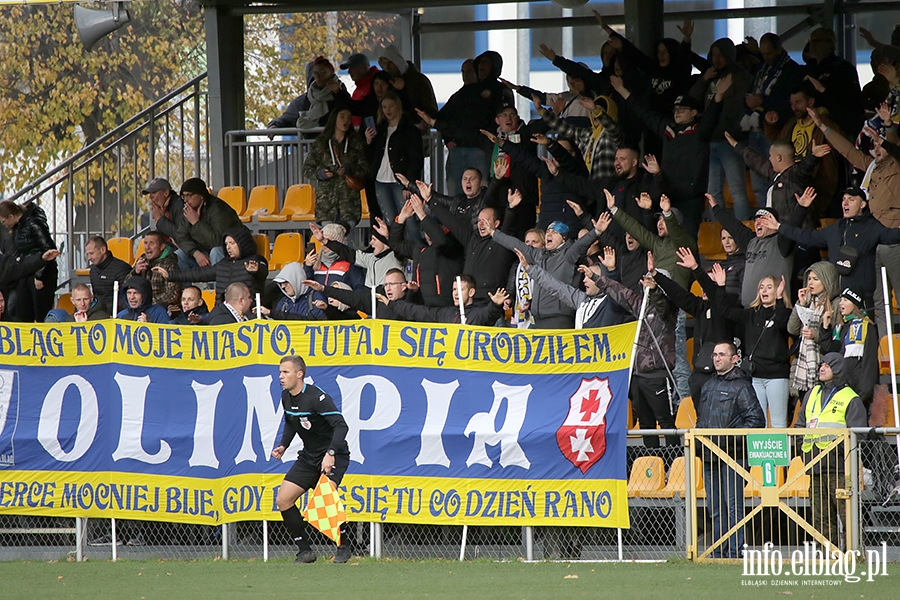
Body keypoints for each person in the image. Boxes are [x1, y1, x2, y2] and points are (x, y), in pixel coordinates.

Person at [610, 73, 731, 236]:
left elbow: (711, 117)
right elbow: (644, 113)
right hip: (667, 195)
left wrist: (719, 96)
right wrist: (621, 89)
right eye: (675, 109)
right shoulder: (668, 130)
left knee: (688, 239)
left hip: (691, 198)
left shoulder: (699, 131)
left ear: (694, 112)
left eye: (682, 109)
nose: (677, 112)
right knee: (666, 238)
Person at [760, 186, 900, 314]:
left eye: (851, 200)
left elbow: (892, 235)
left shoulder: (871, 227)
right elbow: (807, 237)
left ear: (862, 204)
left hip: (860, 300)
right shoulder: (836, 227)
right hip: (835, 299)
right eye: (844, 199)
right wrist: (780, 227)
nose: (845, 203)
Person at [272, 355, 353, 564]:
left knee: (324, 498)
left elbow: (341, 426)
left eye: (285, 372)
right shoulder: (286, 396)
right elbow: (291, 420)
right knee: (283, 499)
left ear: (300, 374)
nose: (281, 376)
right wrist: (284, 445)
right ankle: (305, 551)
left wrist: (331, 454)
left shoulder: (317, 397)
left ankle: (343, 546)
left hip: (334, 455)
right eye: (280, 372)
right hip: (309, 457)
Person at [696, 341, 766, 559]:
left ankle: (735, 553)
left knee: (733, 508)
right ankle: (718, 552)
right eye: (715, 355)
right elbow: (702, 420)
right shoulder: (707, 386)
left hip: (733, 456)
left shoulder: (742, 386)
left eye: (722, 355)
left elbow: (756, 420)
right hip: (709, 456)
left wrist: (728, 437)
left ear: (734, 358)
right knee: (715, 508)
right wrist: (699, 442)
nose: (717, 358)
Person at [491, 202, 609, 328]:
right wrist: (493, 233)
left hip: (559, 320)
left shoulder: (569, 254)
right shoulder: (538, 254)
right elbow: (514, 244)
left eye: (554, 232)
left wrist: (596, 231)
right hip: (537, 320)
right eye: (547, 231)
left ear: (563, 239)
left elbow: (583, 243)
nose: (549, 234)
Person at [794, 353, 868, 548]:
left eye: (827, 365)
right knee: (821, 519)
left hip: (840, 469)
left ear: (839, 369)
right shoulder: (811, 394)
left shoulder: (851, 398)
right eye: (821, 365)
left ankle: (855, 555)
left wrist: (837, 451)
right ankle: (826, 558)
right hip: (815, 466)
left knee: (848, 517)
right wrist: (804, 452)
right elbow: (800, 425)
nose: (822, 368)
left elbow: (858, 435)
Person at [655, 248, 740, 400]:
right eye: (702, 285)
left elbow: (714, 293)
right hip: (700, 373)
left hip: (721, 373)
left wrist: (696, 269)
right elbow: (679, 295)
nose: (704, 288)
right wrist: (657, 276)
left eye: (709, 284)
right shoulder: (701, 306)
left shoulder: (728, 304)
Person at [689, 38, 753, 221]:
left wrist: (732, 131)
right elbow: (692, 99)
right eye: (713, 55)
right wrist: (703, 79)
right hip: (711, 140)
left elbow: (738, 109)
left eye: (720, 55)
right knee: (713, 192)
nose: (716, 59)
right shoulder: (711, 76)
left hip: (730, 141)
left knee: (737, 190)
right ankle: (718, 235)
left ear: (729, 55)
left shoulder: (741, 77)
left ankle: (742, 232)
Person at [716, 275, 793, 427]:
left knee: (778, 423)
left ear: (778, 290)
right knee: (758, 422)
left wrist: (779, 300)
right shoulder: (750, 314)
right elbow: (724, 311)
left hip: (776, 376)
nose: (764, 290)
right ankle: (758, 452)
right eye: (761, 287)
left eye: (769, 287)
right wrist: (720, 286)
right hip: (755, 376)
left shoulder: (784, 312)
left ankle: (779, 452)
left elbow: (781, 324)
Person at [741, 33, 805, 202]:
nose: (766, 57)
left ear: (779, 48)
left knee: (777, 179)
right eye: (762, 54)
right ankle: (764, 217)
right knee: (757, 182)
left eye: (769, 53)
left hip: (776, 131)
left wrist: (763, 101)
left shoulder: (792, 70)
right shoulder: (761, 69)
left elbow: (790, 102)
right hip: (755, 128)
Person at [762, 85, 841, 215]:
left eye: (798, 102)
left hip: (814, 182)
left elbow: (839, 140)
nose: (794, 107)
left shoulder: (825, 120)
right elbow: (778, 142)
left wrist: (821, 120)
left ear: (811, 102)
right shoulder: (793, 122)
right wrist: (770, 125)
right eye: (792, 103)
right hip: (792, 179)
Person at [428, 200, 515, 304]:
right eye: (479, 221)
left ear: (496, 224)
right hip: (468, 303)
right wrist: (431, 201)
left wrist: (511, 209)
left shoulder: (501, 242)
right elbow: (452, 222)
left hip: (490, 304)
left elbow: (508, 226)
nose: (481, 224)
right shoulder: (471, 239)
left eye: (485, 220)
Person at [514, 248, 624, 330]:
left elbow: (616, 293)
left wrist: (612, 272)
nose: (584, 280)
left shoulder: (611, 304)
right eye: (585, 276)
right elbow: (555, 286)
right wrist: (530, 269)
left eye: (590, 277)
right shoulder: (581, 300)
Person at [155, 225, 268, 305]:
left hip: (246, 313)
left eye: (232, 243)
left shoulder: (256, 261)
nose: (228, 247)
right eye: (226, 244)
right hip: (221, 311)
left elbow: (263, 271)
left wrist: (256, 270)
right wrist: (170, 275)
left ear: (242, 243)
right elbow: (199, 274)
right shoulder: (223, 263)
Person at [364, 92, 424, 238]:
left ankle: (417, 253)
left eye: (391, 106)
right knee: (390, 220)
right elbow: (371, 156)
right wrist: (368, 141)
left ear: (398, 106)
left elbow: (416, 159)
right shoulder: (381, 129)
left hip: (400, 180)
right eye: (384, 107)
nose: (388, 110)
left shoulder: (409, 130)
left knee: (409, 220)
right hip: (381, 180)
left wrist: (408, 184)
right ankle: (397, 254)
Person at [390, 196, 464, 308]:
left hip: (444, 308)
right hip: (420, 306)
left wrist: (422, 214)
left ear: (444, 229)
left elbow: (441, 242)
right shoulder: (419, 247)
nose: (428, 235)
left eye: (432, 230)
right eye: (425, 231)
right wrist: (401, 218)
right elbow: (396, 243)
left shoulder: (454, 245)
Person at [787, 262, 840, 417]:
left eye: (815, 279)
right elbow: (792, 329)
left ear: (827, 279)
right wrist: (800, 304)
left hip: (823, 363)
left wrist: (815, 335)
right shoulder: (808, 302)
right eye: (809, 279)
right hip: (805, 369)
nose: (810, 283)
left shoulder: (836, 304)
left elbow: (836, 337)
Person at [302, 107, 368, 228]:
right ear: (334, 119)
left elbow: (364, 168)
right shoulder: (321, 142)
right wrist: (320, 174)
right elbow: (306, 168)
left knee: (345, 242)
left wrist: (350, 169)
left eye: (349, 118)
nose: (346, 121)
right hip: (327, 202)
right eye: (342, 116)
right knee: (329, 243)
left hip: (349, 203)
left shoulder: (355, 142)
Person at [0, 200, 58, 322]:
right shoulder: (19, 226)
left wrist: (39, 275)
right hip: (26, 273)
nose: (4, 225)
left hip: (41, 274)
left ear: (11, 216)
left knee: (40, 314)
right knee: (22, 313)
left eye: (4, 222)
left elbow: (49, 250)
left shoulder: (34, 223)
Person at [823, 287, 879, 410]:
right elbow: (830, 353)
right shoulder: (840, 327)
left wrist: (862, 395)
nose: (840, 303)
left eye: (845, 300)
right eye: (841, 300)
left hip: (859, 394)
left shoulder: (867, 327)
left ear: (855, 304)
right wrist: (825, 328)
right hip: (841, 391)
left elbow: (869, 363)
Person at [380, 273, 506, 326]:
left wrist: (495, 305)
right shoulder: (447, 313)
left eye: (460, 290)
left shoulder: (478, 313)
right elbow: (419, 312)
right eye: (454, 290)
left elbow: (489, 314)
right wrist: (392, 304)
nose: (455, 294)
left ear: (471, 292)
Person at [804, 28, 863, 139]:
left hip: (837, 126)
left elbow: (851, 102)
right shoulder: (809, 68)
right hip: (809, 126)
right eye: (810, 41)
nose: (812, 45)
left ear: (829, 43)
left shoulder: (843, 68)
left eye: (816, 41)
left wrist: (823, 90)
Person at [174, 177, 242, 271]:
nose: (185, 200)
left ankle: (220, 285)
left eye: (189, 195)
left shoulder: (218, 209)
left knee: (216, 251)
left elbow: (219, 241)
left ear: (201, 196)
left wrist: (196, 223)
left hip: (230, 251)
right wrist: (196, 253)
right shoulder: (189, 210)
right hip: (203, 251)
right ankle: (187, 286)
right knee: (178, 255)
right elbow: (181, 236)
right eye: (183, 196)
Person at [378, 44, 438, 122]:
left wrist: (425, 121)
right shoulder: (388, 81)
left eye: (390, 63)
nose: (387, 67)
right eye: (385, 64)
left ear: (397, 62)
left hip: (417, 128)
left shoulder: (419, 80)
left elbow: (431, 109)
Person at [131, 231, 181, 313]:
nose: (147, 247)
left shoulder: (170, 264)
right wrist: (136, 272)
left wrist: (147, 302)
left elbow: (172, 295)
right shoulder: (142, 260)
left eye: (152, 243)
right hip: (139, 305)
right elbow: (126, 284)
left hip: (159, 309)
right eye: (146, 243)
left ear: (162, 247)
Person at [85, 236, 131, 313]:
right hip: (100, 313)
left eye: (92, 253)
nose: (89, 258)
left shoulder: (122, 268)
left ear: (103, 250)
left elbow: (127, 299)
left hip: (119, 315)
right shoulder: (93, 271)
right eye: (87, 254)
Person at [142, 177, 185, 242]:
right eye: (150, 194)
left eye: (153, 193)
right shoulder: (163, 207)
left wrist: (160, 219)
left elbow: (180, 235)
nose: (150, 197)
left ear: (166, 193)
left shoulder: (179, 206)